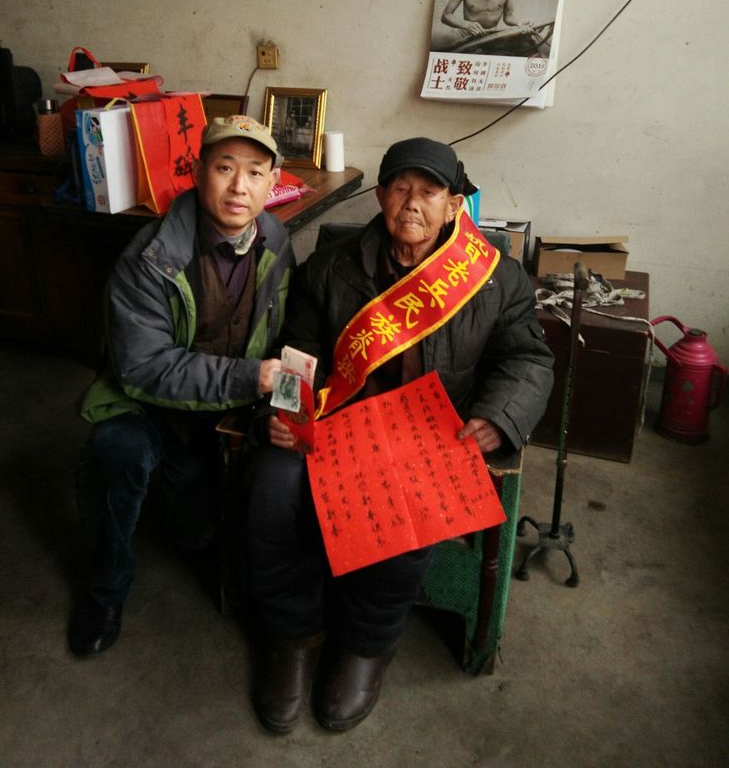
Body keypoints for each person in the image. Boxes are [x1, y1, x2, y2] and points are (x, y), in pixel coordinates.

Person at [247, 137, 554, 733]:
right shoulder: (330, 267)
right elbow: (298, 347)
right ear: (381, 196)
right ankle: (293, 637)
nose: (412, 202)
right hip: (339, 425)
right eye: (400, 188)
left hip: (429, 434)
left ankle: (365, 646)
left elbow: (528, 359)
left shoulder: (494, 278)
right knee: (271, 487)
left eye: (429, 191)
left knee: (405, 506)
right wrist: (287, 411)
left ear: (453, 204)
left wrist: (499, 415)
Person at [69, 115, 293, 658]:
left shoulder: (276, 240)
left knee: (197, 534)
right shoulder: (150, 257)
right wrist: (249, 377)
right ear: (197, 172)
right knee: (115, 456)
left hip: (217, 412)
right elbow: (144, 368)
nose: (239, 187)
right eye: (224, 168)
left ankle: (173, 490)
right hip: (143, 405)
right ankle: (104, 590)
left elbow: (278, 329)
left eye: (255, 173)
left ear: (272, 182)